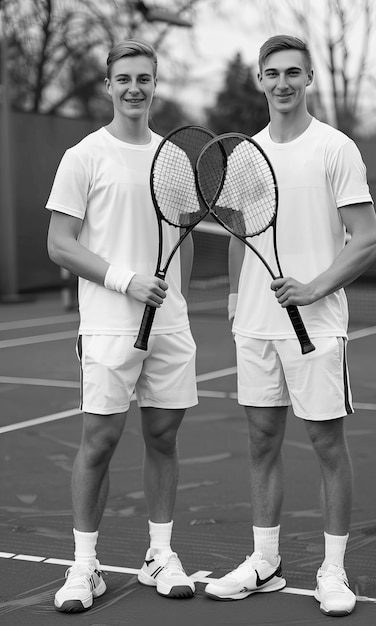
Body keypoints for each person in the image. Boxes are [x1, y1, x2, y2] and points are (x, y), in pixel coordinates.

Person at [204, 35, 376, 617]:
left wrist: (313, 288)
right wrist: (236, 304)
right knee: (261, 442)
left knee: (327, 444)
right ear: (261, 80)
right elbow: (239, 236)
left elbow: (369, 239)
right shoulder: (246, 154)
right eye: (272, 73)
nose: (282, 83)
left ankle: (334, 568)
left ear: (308, 80)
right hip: (255, 328)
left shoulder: (337, 148)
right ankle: (265, 562)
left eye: (292, 73)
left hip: (317, 325)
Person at [46, 39, 198, 613]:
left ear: (156, 84)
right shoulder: (83, 155)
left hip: (170, 325)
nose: (135, 88)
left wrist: (172, 298)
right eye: (124, 79)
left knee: (163, 438)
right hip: (110, 324)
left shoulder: (176, 159)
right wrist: (124, 280)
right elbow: (59, 244)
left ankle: (160, 553)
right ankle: (85, 566)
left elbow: (187, 234)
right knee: (99, 443)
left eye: (145, 78)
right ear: (109, 87)